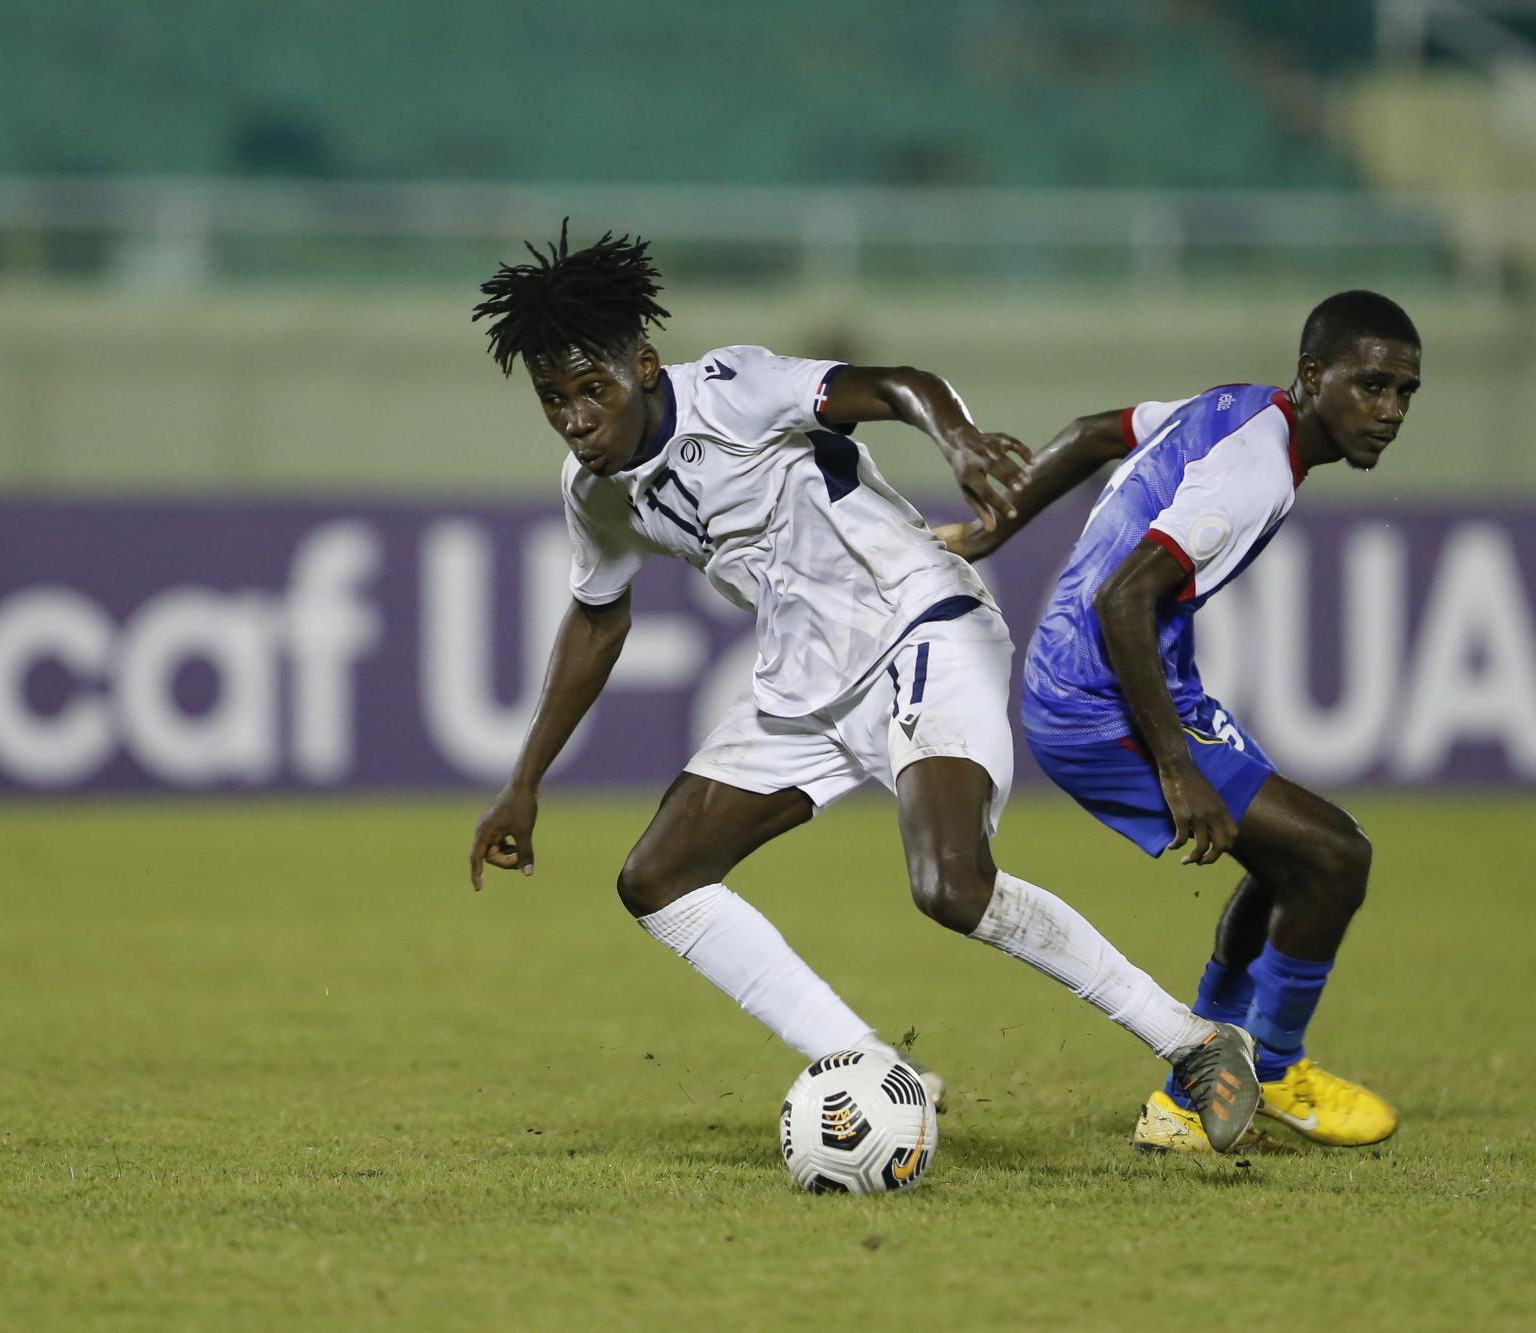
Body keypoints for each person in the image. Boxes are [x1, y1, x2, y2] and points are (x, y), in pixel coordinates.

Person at [464, 223, 1261, 1154]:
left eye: (591, 390)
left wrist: (959, 442)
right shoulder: (594, 490)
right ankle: (872, 1065)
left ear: (642, 368)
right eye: (554, 400)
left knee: (951, 884)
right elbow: (598, 619)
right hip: (804, 686)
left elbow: (894, 385)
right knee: (658, 878)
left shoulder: (733, 388)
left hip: (921, 625)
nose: (575, 418)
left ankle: (1195, 1042)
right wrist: (524, 780)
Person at [936, 290, 1420, 1152]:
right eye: (1372, 386)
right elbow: (1125, 597)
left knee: (1291, 863)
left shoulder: (1239, 407)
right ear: (1313, 375)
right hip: (1095, 702)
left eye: (1404, 393)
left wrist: (989, 532)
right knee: (1336, 855)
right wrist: (1176, 766)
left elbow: (1094, 433)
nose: (1390, 412)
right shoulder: (1256, 470)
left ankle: (1194, 1097)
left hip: (1129, 682)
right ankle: (1270, 1070)